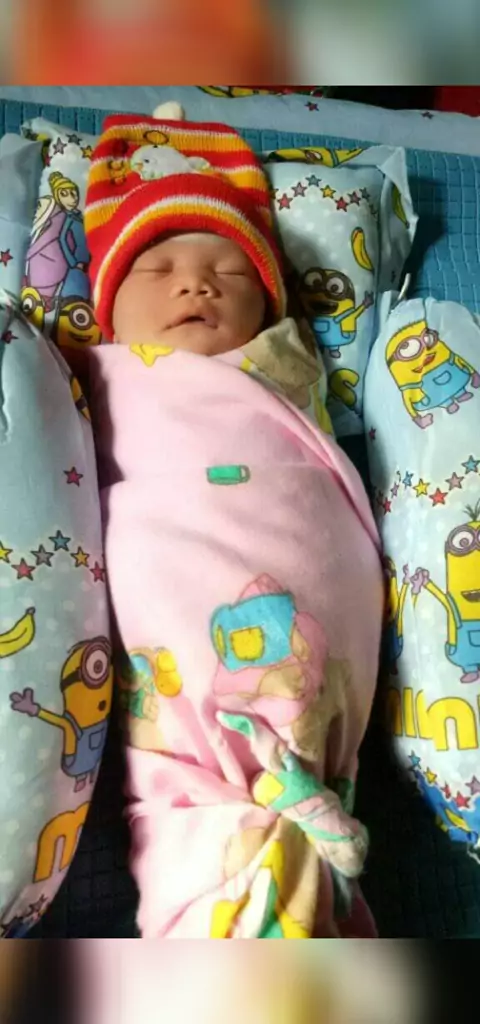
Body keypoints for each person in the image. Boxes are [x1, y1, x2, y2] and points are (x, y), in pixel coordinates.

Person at [82, 111, 384, 938]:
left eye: (227, 270)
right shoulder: (101, 378)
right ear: (109, 312)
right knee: (191, 816)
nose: (196, 285)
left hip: (317, 662)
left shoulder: (289, 372)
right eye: (159, 268)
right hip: (177, 649)